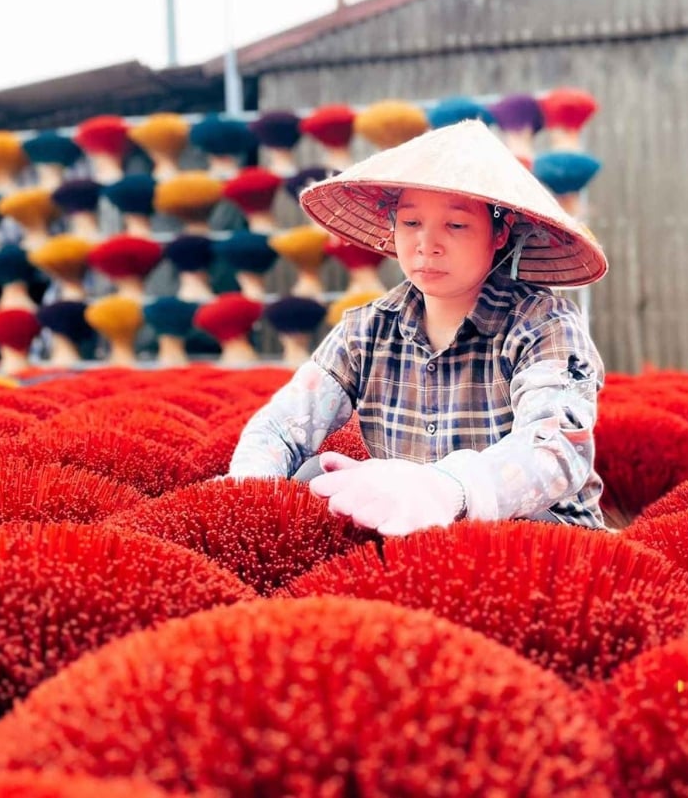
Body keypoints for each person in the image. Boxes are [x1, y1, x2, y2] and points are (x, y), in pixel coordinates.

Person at [227, 118, 611, 535]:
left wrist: (449, 488)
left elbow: (554, 447)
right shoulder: (368, 329)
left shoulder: (543, 325)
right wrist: (248, 491)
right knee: (315, 477)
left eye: (456, 225)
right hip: (406, 528)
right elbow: (282, 425)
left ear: (500, 233)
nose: (427, 245)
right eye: (411, 223)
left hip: (533, 533)